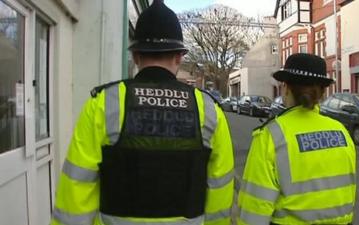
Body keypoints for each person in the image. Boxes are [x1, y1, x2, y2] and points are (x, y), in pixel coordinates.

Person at [50, 1, 234, 225]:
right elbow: (220, 190)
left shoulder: (103, 104)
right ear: (179, 57)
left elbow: (76, 190)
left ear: (136, 56)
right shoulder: (209, 110)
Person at [237, 53, 356, 225]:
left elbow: (255, 206)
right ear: (322, 92)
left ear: (286, 88)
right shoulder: (341, 131)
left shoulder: (271, 135)